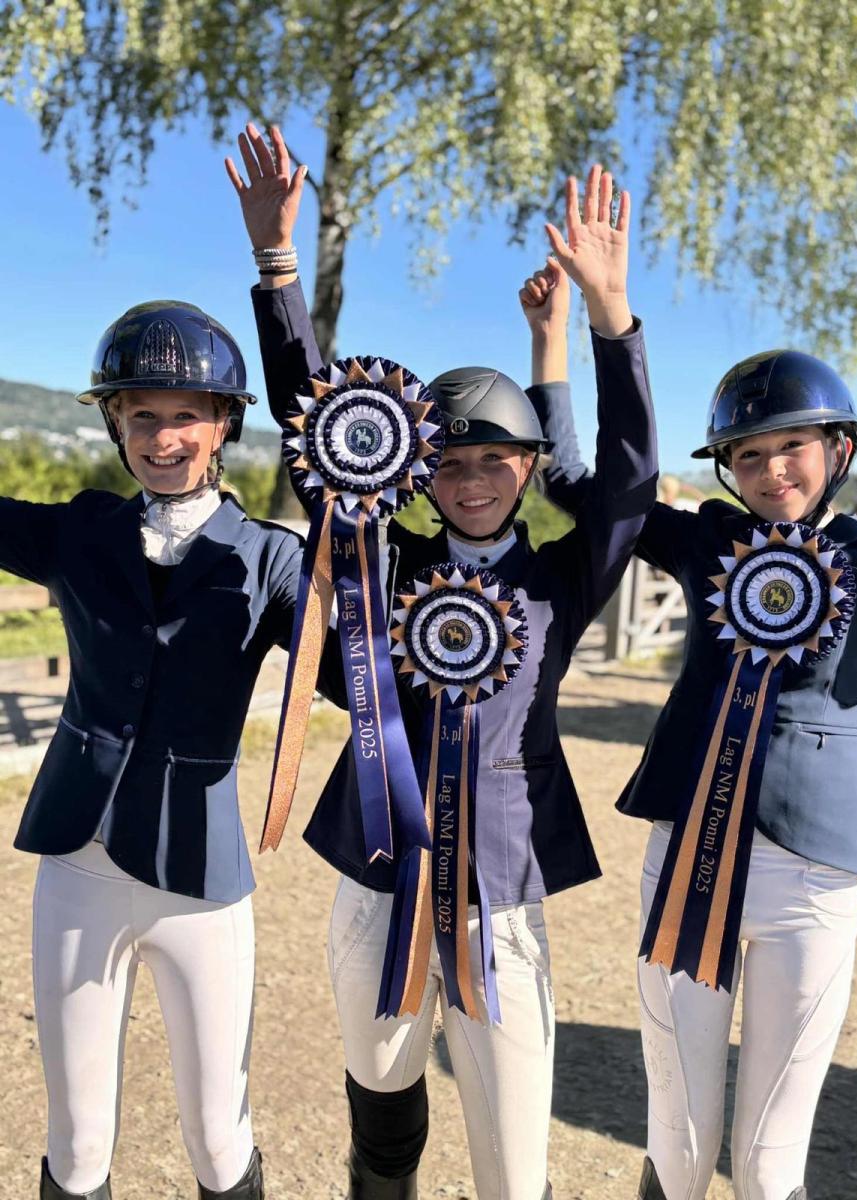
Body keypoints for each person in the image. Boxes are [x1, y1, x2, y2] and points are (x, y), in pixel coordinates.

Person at [226, 128, 657, 1199]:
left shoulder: (563, 578)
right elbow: (320, 435)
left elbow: (630, 479)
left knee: (515, 1164)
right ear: (422, 474)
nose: (470, 482)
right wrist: (279, 269)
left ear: (528, 467)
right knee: (382, 1118)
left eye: (494, 461)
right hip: (379, 875)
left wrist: (609, 318)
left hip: (503, 895)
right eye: (451, 463)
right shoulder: (387, 559)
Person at [524, 263, 857, 1200]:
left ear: (839, 448)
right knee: (680, 1140)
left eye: (792, 447)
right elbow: (580, 485)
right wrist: (566, 336)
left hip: (812, 880)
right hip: (686, 853)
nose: (772, 472)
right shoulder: (708, 541)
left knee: (770, 1163)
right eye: (748, 455)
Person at [5, 290, 339, 1198]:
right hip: (78, 861)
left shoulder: (270, 558)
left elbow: (352, 684)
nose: (163, 438)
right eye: (141, 415)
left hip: (201, 879)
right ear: (114, 423)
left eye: (185, 415)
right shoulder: (80, 529)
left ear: (225, 422)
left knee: (218, 1137)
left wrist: (354, 562)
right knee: (77, 1142)